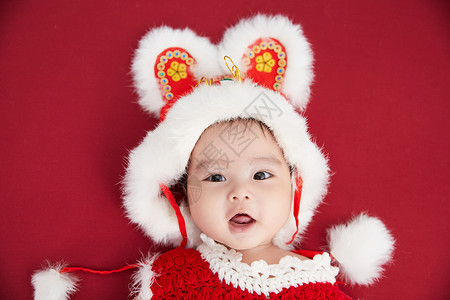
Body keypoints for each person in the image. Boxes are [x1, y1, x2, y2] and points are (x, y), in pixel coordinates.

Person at [32, 14, 394, 300]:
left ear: (296, 187)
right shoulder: (171, 277)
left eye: (262, 175)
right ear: (185, 196)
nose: (240, 192)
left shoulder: (318, 285)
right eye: (216, 177)